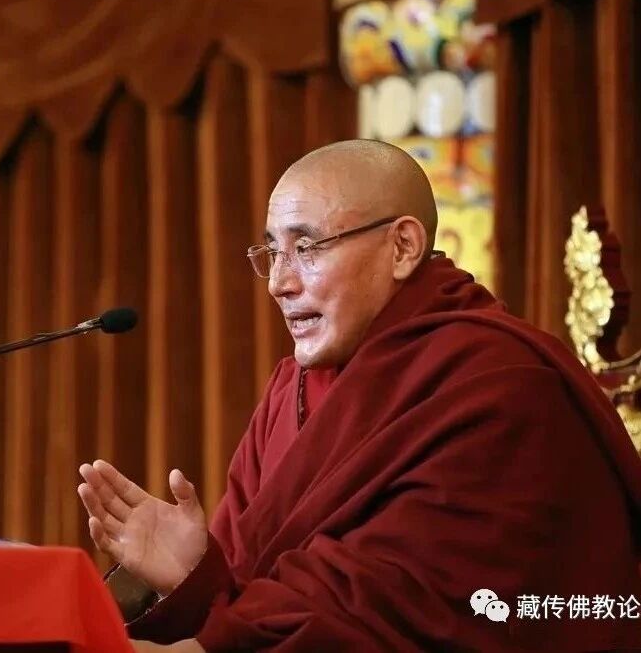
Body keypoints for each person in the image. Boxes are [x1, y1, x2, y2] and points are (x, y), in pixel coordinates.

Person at [78, 140, 641, 652]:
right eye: (271, 252)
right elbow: (249, 588)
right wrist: (195, 571)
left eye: (307, 247)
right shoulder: (292, 390)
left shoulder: (498, 383)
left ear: (402, 246)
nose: (279, 282)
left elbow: (403, 606)